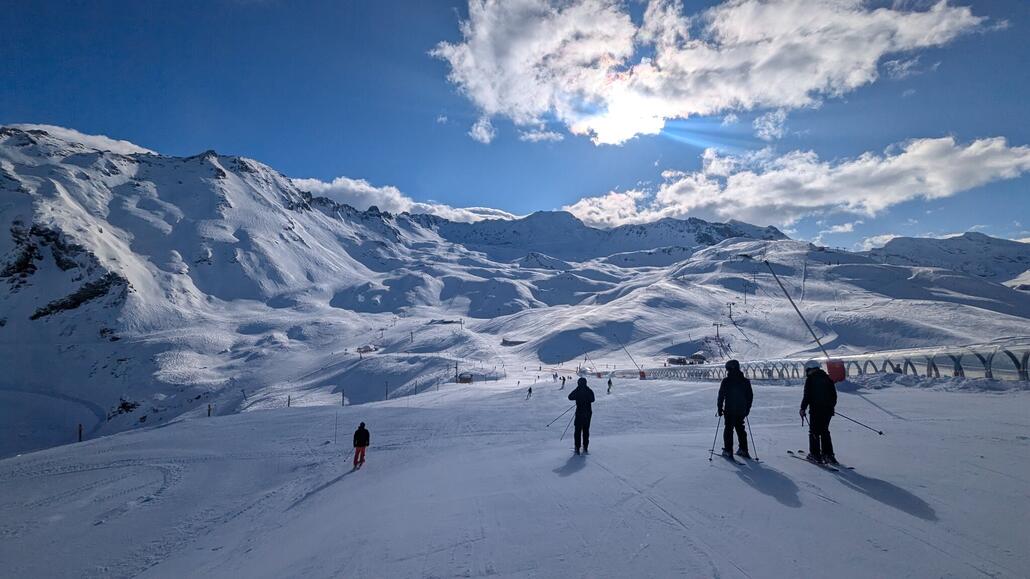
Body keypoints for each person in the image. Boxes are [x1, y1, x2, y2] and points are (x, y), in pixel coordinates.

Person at [801, 361, 838, 464]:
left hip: (816, 411)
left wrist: (802, 408)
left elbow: (807, 396)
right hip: (828, 411)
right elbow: (834, 396)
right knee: (825, 431)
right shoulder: (827, 378)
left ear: (810, 369)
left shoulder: (810, 379)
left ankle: (815, 454)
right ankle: (828, 455)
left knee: (814, 432)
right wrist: (830, 406)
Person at [717, 360, 754, 459]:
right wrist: (747, 409)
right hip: (741, 410)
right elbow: (750, 396)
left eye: (727, 369)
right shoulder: (745, 381)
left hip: (729, 410)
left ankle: (728, 450)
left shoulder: (726, 381)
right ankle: (743, 449)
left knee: (729, 429)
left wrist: (719, 408)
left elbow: (721, 396)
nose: (727, 371)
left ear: (731, 368)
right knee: (740, 428)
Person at [568, 377, 595, 455]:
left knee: (578, 431)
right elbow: (592, 399)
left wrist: (578, 390)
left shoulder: (578, 390)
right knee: (586, 430)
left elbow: (570, 397)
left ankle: (577, 447)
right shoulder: (589, 390)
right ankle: (585, 447)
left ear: (579, 383)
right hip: (588, 413)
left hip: (579, 413)